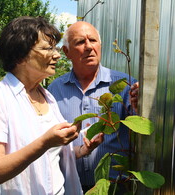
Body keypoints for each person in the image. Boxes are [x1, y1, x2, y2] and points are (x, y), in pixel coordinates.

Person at [0, 16, 103, 195]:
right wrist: (45, 142)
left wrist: (82, 150)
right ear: (20, 56)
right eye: (48, 48)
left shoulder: (47, 97)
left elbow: (51, 158)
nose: (57, 54)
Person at [48, 21, 139, 192]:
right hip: (68, 188)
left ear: (100, 46)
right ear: (66, 52)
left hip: (115, 188)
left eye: (93, 40)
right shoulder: (54, 90)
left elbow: (141, 133)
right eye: (80, 42)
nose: (89, 47)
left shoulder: (123, 85)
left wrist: (139, 109)